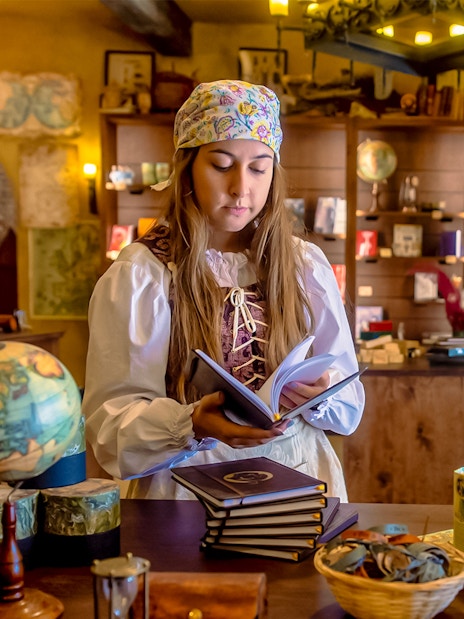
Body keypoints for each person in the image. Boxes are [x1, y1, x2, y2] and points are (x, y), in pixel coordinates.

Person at [83, 79, 365, 502]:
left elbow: (349, 408)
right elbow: (111, 432)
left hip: (299, 486)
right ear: (188, 166)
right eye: (221, 164)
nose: (241, 187)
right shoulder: (143, 274)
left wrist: (321, 392)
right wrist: (191, 423)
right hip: (183, 496)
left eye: (258, 167)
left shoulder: (305, 266)